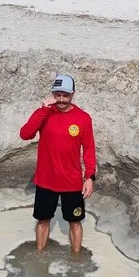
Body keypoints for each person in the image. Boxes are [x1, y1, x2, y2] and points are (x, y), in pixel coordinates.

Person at [19, 74, 97, 253]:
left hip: (72, 181)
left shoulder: (83, 118)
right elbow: (25, 134)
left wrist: (90, 177)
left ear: (73, 94)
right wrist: (43, 111)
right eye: (58, 95)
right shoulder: (45, 114)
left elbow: (89, 150)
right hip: (46, 180)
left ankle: (76, 260)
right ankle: (40, 258)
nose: (61, 100)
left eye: (65, 95)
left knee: (75, 222)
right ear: (53, 94)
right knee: (43, 220)